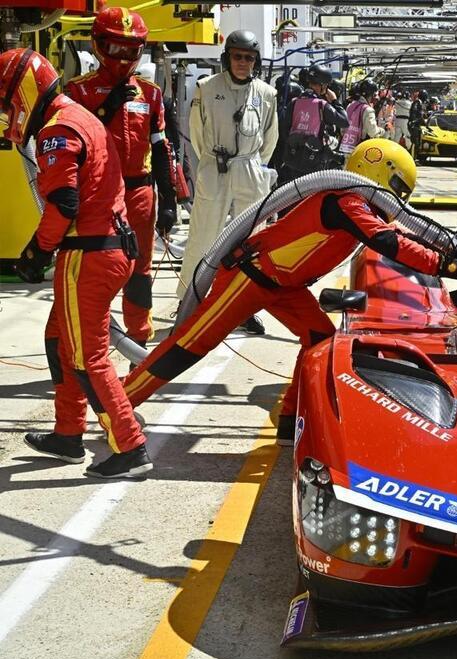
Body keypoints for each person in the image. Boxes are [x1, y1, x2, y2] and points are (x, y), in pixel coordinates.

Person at [121, 139, 457, 445]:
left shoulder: (354, 204)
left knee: (319, 338)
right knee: (190, 344)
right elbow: (388, 241)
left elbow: (400, 233)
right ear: (380, 173)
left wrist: (449, 248)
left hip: (284, 285)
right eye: (397, 189)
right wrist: (447, 266)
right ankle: (119, 402)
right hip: (251, 277)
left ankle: (290, 420)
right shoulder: (346, 201)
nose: (397, 200)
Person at [2, 48, 150, 478]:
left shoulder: (56, 129)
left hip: (88, 254)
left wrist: (35, 252)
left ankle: (130, 446)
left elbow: (63, 204)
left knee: (88, 357)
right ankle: (68, 434)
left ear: (23, 92)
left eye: (8, 102)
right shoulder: (81, 114)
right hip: (109, 247)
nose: (9, 112)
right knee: (59, 336)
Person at [65, 8, 185, 351]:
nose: (122, 57)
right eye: (115, 48)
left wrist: (170, 199)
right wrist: (106, 109)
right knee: (96, 272)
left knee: (140, 272)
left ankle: (138, 342)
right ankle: (91, 346)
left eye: (130, 50)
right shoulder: (78, 93)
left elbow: (163, 150)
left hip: (139, 194)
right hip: (97, 199)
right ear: (98, 44)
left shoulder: (151, 94)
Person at [179, 29, 278, 335]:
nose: (242, 63)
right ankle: (188, 303)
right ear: (227, 58)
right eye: (237, 56)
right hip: (215, 168)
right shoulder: (206, 88)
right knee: (202, 238)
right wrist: (212, 163)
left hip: (249, 170)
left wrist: (251, 165)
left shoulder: (266, 94)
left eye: (249, 58)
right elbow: (196, 135)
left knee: (251, 243)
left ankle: (244, 308)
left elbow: (270, 139)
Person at [280, 63, 349, 179]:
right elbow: (344, 121)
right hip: (314, 163)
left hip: (293, 160)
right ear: (322, 85)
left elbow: (285, 130)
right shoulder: (322, 105)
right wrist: (334, 101)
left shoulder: (294, 102)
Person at [340, 79, 384, 156]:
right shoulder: (368, 110)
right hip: (359, 149)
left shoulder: (350, 106)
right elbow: (372, 132)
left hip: (345, 146)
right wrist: (382, 130)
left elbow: (343, 128)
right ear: (372, 94)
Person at [408, 90, 425, 157]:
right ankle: (412, 157)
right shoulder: (417, 102)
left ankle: (414, 157)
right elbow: (414, 113)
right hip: (414, 125)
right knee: (415, 142)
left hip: (416, 124)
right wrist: (414, 121)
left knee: (417, 142)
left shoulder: (419, 102)